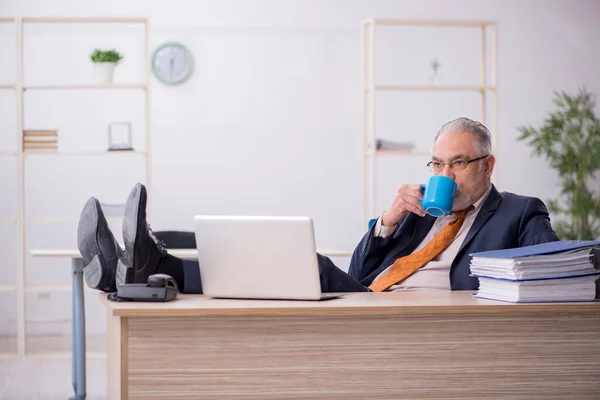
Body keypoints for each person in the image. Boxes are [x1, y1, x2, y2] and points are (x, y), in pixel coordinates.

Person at [77, 117, 560, 295]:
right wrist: (387, 223)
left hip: (436, 320)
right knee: (296, 267)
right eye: (437, 163)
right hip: (376, 306)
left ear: (488, 165)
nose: (444, 176)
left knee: (306, 266)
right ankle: (142, 266)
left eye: (458, 164)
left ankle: (149, 264)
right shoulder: (421, 214)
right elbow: (360, 272)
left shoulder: (519, 212)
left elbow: (558, 273)